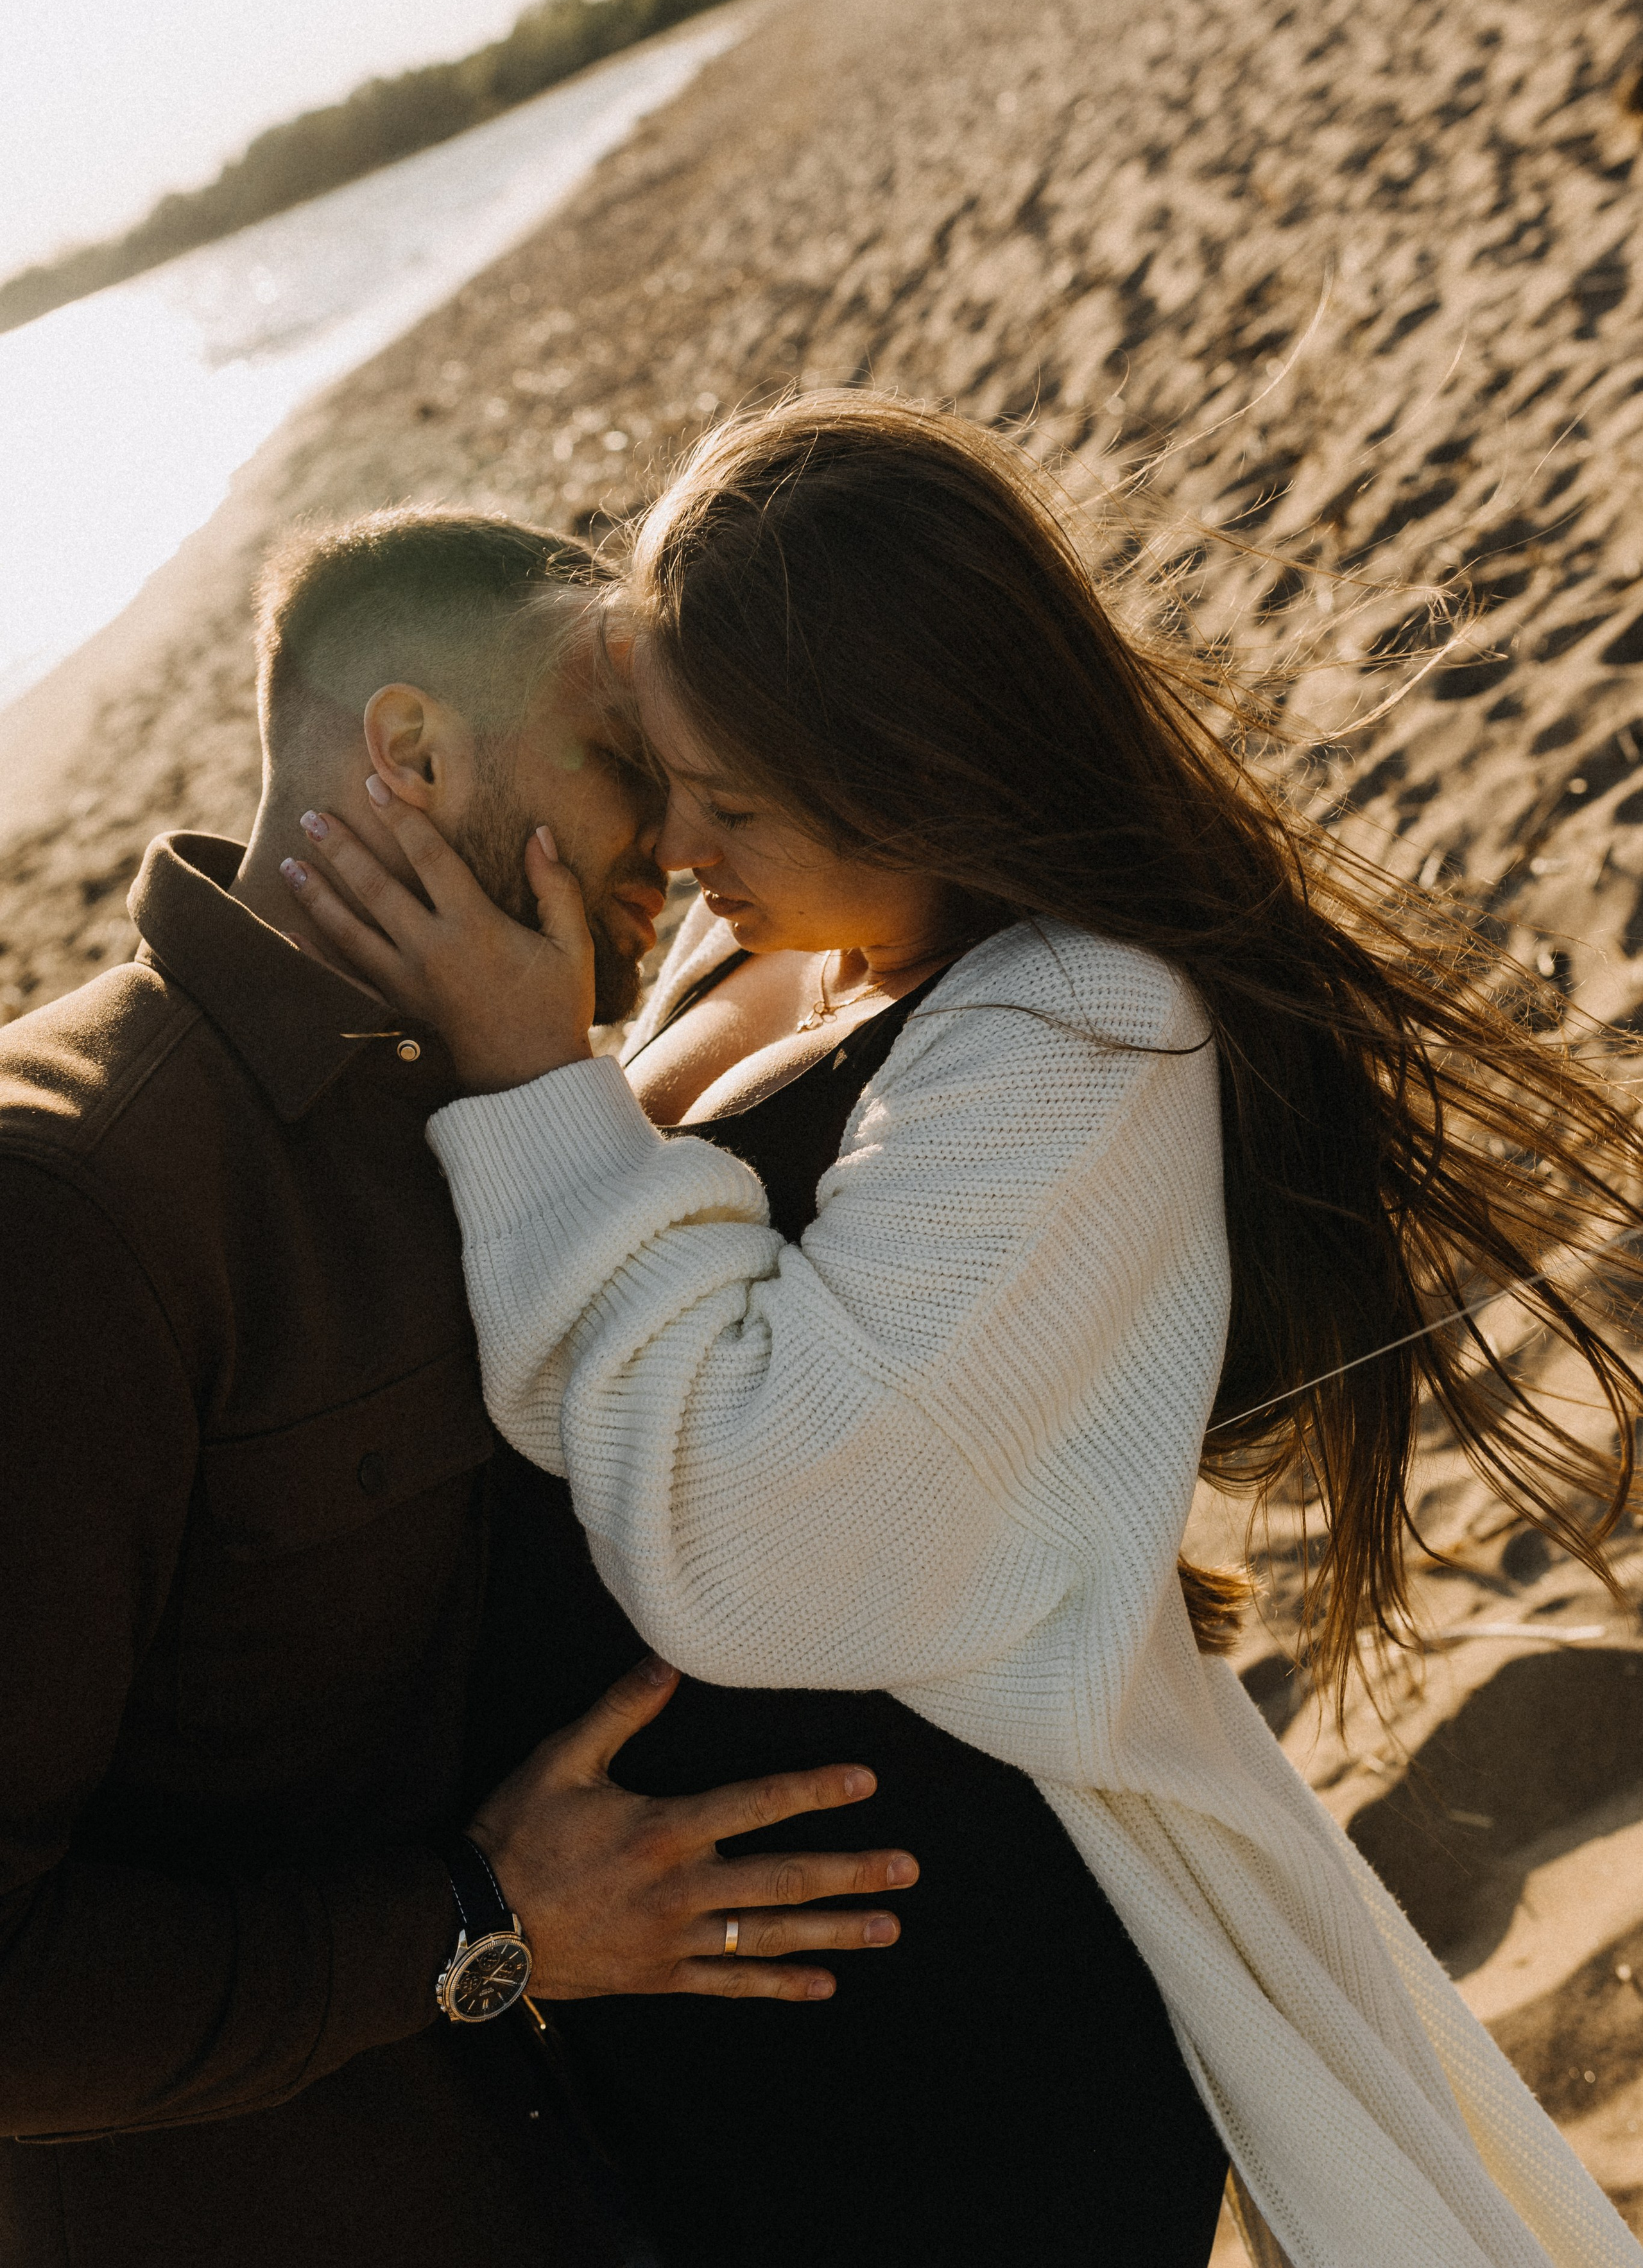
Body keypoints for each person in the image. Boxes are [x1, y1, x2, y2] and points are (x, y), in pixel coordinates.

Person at [288, 397, 1643, 2268]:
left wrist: (537, 1086)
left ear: (921, 780)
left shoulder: (1085, 1024)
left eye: (730, 803)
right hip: (725, 2045)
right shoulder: (794, 942)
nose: (675, 849)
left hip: (936, 2079)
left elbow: (762, 1536)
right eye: (661, 773)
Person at [0, 506, 922, 2268]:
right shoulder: (72, 1204)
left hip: (586, 2178)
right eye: (617, 767)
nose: (674, 836)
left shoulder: (510, 1094)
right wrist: (479, 1923)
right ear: (411, 755)